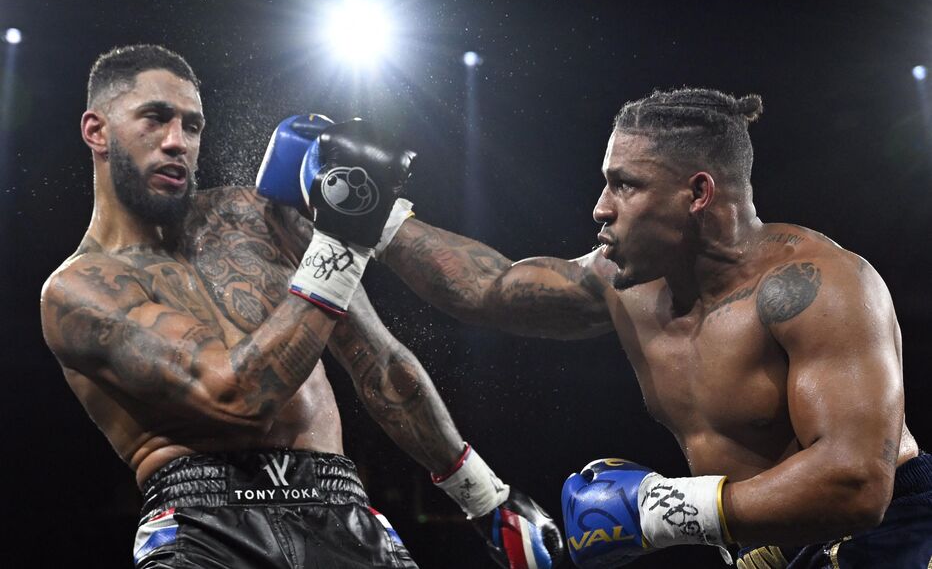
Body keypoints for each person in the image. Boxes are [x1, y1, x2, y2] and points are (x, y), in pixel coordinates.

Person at [343, 88, 931, 567]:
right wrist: (370, 211)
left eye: (625, 184)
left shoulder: (815, 287)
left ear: (697, 193)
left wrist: (659, 510)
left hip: (894, 535)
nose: (601, 206)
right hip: (770, 550)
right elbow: (489, 288)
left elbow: (856, 481)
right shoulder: (621, 284)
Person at [39, 44, 563, 569]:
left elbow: (377, 361)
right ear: (97, 130)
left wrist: (485, 498)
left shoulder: (254, 216)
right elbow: (234, 397)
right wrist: (340, 239)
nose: (177, 142)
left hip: (342, 509)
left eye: (193, 126)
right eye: (155, 118)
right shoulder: (79, 291)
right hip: (207, 527)